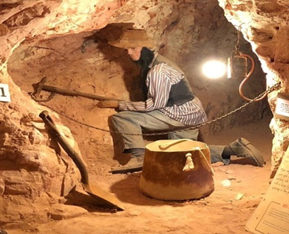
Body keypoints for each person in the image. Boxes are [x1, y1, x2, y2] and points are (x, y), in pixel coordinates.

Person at [98, 45, 265, 173]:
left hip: (178, 114)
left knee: (123, 118)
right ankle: (234, 148)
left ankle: (139, 157)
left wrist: (120, 104)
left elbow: (154, 105)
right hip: (192, 113)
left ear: (147, 49)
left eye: (133, 48)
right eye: (127, 49)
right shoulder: (161, 62)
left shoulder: (158, 71)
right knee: (183, 153)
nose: (129, 52)